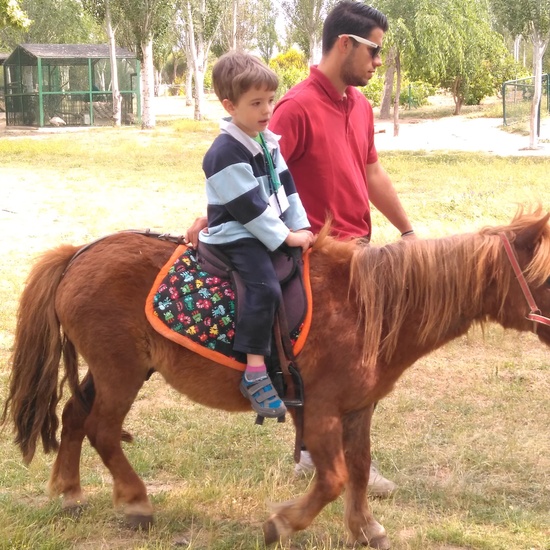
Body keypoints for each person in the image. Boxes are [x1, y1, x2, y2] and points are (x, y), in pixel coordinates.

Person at [266, 0, 415, 493]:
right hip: (316, 260)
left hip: (361, 255)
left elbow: (371, 172)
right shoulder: (295, 107)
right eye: (374, 51)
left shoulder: (361, 106)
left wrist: (408, 232)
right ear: (345, 44)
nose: (378, 62)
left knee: (360, 363)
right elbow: (257, 177)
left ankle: (315, 452)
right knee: (348, 368)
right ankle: (343, 460)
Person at [197, 51, 315, 420]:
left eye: (270, 101)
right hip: (237, 234)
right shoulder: (224, 153)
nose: (267, 110)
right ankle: (254, 370)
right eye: (256, 103)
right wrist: (284, 238)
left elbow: (287, 188)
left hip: (268, 225)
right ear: (230, 105)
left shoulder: (267, 140)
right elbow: (249, 209)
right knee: (264, 285)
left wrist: (301, 225)